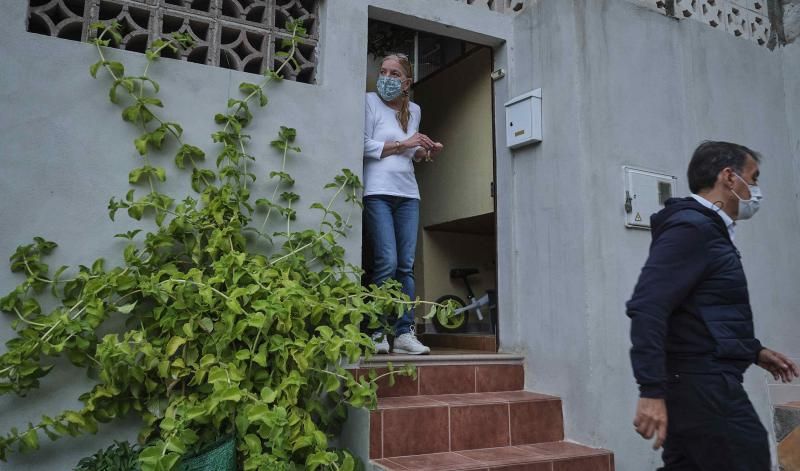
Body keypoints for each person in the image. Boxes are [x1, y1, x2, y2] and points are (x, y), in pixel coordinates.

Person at [626, 141, 799, 470]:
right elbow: (648, 306)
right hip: (703, 386)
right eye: (754, 178)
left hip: (698, 384)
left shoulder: (708, 231)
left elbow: (700, 311)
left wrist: (753, 350)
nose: (757, 190)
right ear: (729, 177)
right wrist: (650, 389)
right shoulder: (694, 229)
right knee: (748, 458)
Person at [362, 53, 443, 355]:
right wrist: (405, 144)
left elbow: (412, 155)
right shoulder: (369, 102)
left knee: (406, 267)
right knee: (387, 262)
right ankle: (374, 331)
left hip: (408, 194)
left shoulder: (415, 111)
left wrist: (426, 151)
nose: (386, 77)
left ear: (407, 82)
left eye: (394, 74)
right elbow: (363, 144)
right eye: (383, 71)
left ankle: (403, 334)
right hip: (377, 191)